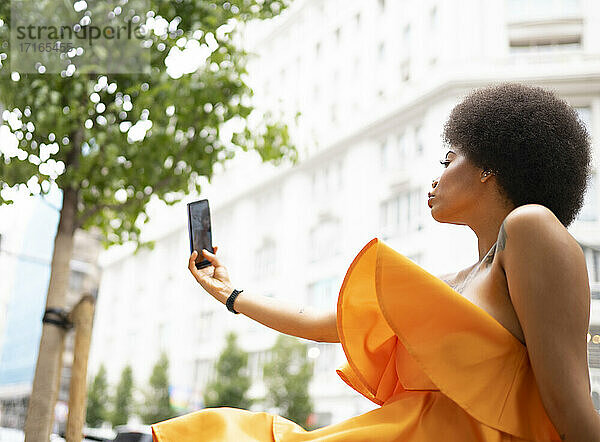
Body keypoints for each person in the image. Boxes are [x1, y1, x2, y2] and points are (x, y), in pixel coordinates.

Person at [151, 83, 600, 441]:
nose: (436, 176)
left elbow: (573, 415)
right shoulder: (454, 282)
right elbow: (323, 323)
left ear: (490, 166)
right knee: (214, 430)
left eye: (449, 159)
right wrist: (228, 293)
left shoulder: (531, 226)